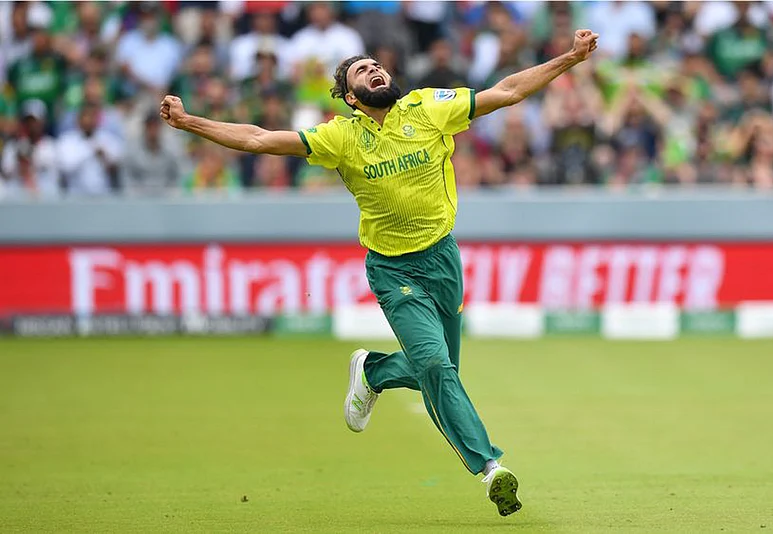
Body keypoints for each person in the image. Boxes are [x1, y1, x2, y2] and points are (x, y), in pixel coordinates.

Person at [159, 28, 599, 517]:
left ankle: (373, 371)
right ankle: (491, 467)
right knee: (435, 366)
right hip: (393, 269)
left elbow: (508, 91)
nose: (374, 70)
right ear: (351, 97)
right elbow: (259, 139)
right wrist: (189, 122)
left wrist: (570, 57)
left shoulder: (428, 107)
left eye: (376, 65)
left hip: (443, 259)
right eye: (361, 71)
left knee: (439, 370)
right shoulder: (340, 136)